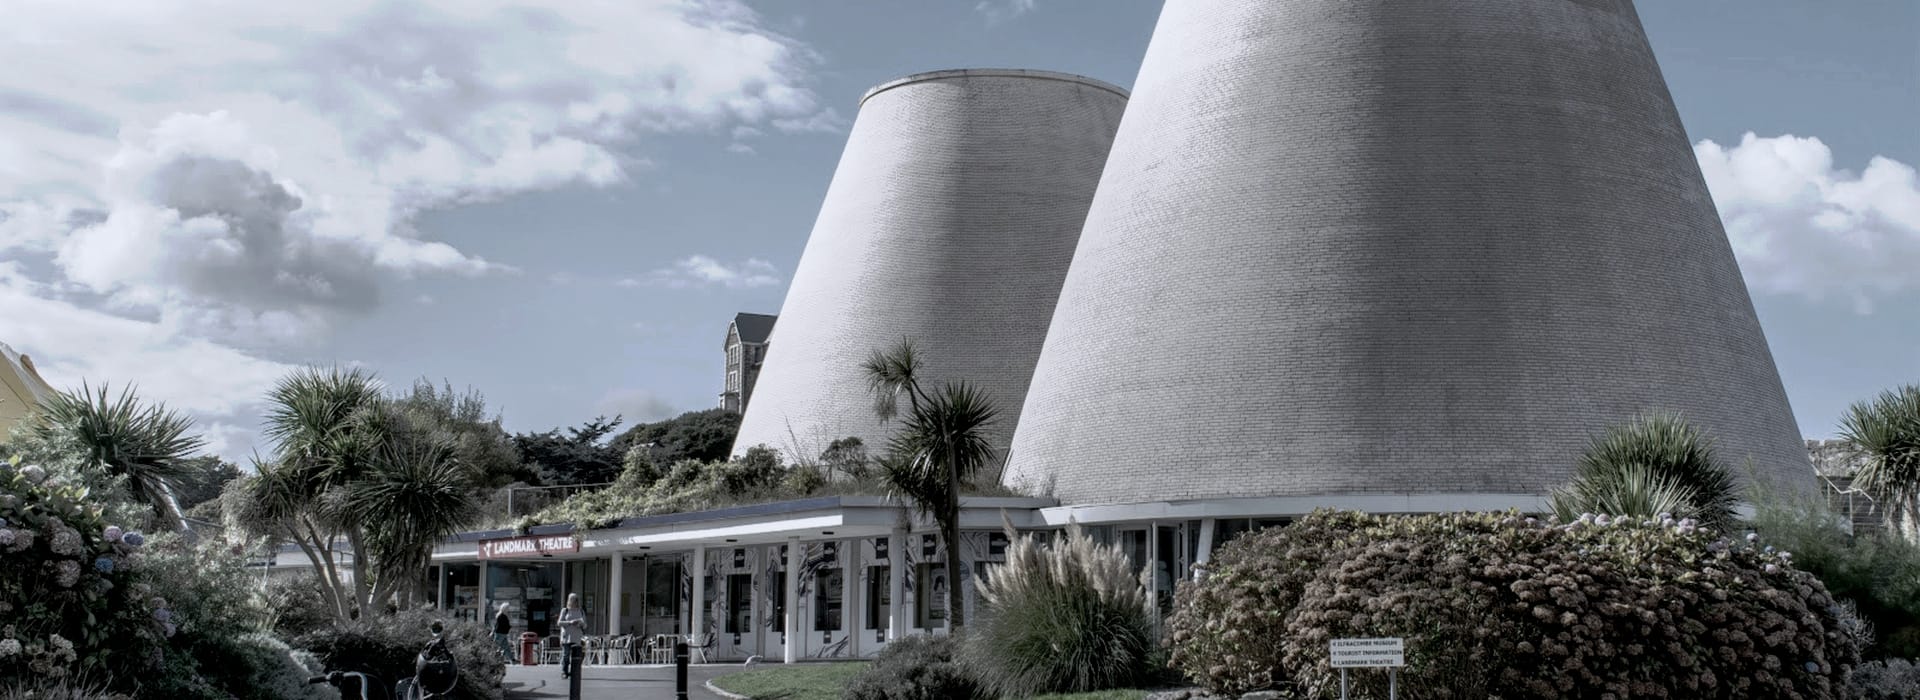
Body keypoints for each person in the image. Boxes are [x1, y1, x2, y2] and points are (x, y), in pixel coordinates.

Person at [556, 594, 588, 679]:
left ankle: (574, 671)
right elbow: (559, 623)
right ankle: (564, 671)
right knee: (566, 655)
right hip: (567, 637)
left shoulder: (580, 611)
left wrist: (580, 624)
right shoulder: (565, 610)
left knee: (577, 656)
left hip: (577, 637)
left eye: (576, 600)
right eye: (572, 600)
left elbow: (585, 625)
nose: (574, 602)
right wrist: (570, 622)